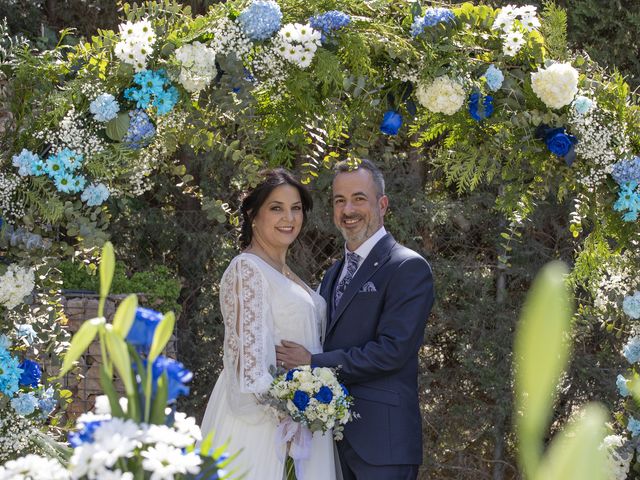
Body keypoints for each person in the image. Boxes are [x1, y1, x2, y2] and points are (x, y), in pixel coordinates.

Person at [276, 159, 435, 480]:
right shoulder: (334, 273)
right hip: (332, 440)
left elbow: (392, 351)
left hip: (383, 443)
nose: (348, 209)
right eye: (339, 200)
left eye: (359, 198)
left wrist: (313, 362)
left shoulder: (407, 267)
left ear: (383, 204)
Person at [200, 168, 339, 480]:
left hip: (303, 414)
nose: (288, 218)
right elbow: (248, 370)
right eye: (276, 208)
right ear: (253, 214)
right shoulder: (247, 269)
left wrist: (313, 405)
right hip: (267, 425)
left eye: (296, 208)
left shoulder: (285, 271)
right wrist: (291, 412)